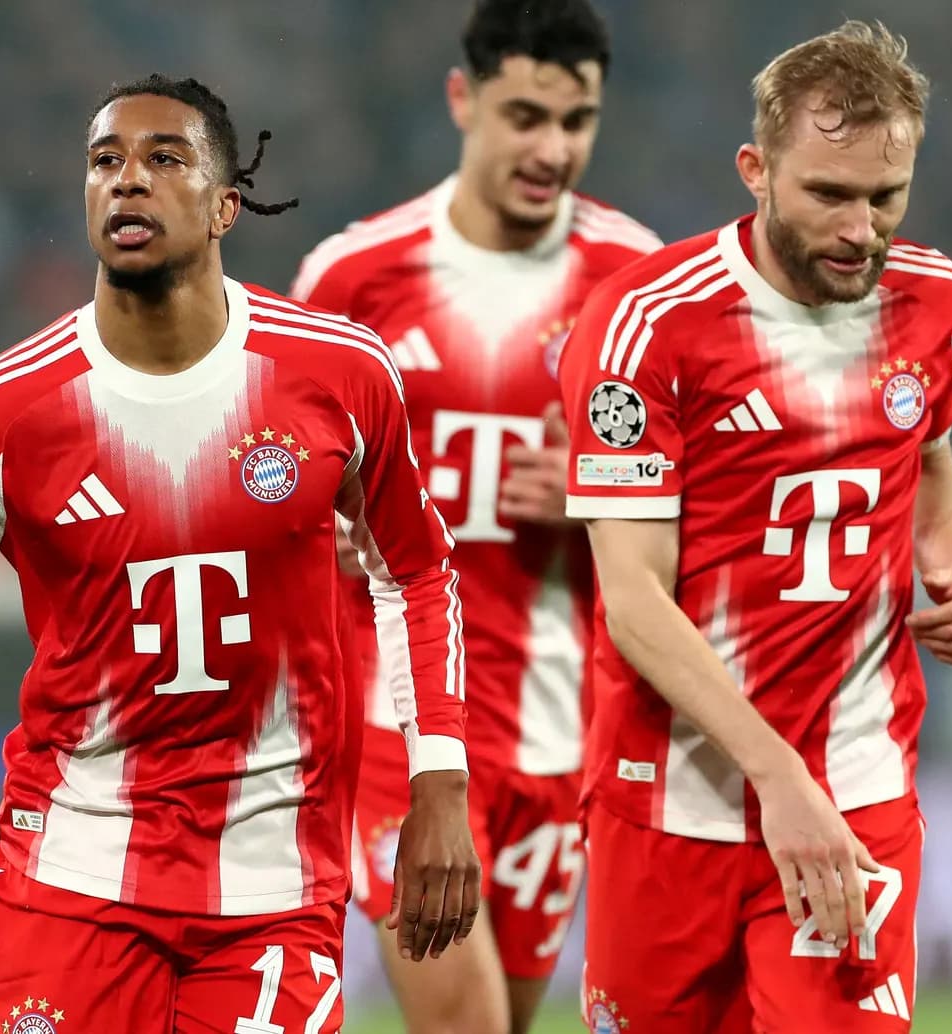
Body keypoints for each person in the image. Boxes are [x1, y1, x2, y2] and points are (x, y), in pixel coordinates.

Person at [0, 74, 484, 1034]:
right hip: (71, 882)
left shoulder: (335, 373)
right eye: (105, 162)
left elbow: (416, 572)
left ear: (226, 206)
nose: (127, 181)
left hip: (272, 883)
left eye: (163, 159)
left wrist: (438, 778)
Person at [557, 21, 952, 1033]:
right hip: (668, 794)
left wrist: (950, 566)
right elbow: (632, 598)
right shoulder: (646, 326)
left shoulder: (935, 300)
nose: (860, 228)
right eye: (827, 194)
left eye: (885, 196)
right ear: (755, 170)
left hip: (855, 783)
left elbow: (926, 449)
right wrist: (775, 774)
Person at [291, 2, 658, 1030]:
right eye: (525, 115)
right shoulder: (352, 276)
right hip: (393, 721)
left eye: (576, 120)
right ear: (464, 100)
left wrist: (596, 491)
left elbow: (697, 509)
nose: (552, 149)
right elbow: (280, 484)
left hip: (559, 726)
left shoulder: (635, 283)